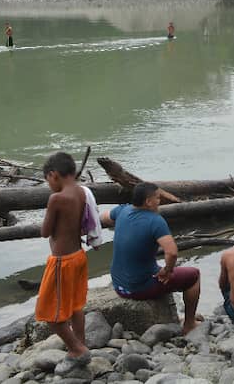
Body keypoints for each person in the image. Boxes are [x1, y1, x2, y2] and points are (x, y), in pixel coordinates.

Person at [100, 183, 201, 334]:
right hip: (138, 288)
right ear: (148, 201)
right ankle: (189, 324)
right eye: (158, 198)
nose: (160, 201)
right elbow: (172, 253)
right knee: (194, 276)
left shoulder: (122, 210)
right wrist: (168, 270)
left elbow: (104, 217)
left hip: (118, 285)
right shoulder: (155, 220)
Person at [35, 152, 91, 376]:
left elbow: (45, 231)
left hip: (62, 262)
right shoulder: (81, 192)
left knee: (49, 313)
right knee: (76, 306)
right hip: (79, 256)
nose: (49, 185)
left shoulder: (56, 199)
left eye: (48, 180)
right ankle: (80, 343)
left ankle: (77, 350)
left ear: (53, 175)